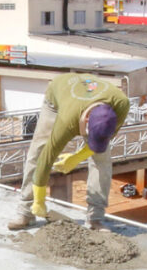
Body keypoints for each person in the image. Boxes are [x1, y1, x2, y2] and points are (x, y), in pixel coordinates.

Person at [8, 73, 130, 231]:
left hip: (86, 96)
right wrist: (39, 199)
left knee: (102, 160)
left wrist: (77, 158)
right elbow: (46, 157)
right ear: (86, 121)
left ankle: (95, 219)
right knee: (37, 151)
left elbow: (103, 140)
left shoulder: (121, 104)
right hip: (57, 100)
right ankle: (25, 212)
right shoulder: (67, 119)